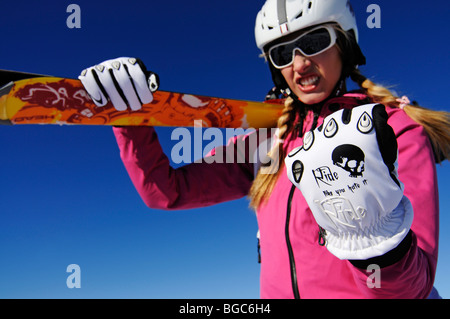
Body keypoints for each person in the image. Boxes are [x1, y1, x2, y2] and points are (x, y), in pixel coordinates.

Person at [78, 0, 449, 299]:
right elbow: (167, 191)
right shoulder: (269, 143)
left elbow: (413, 288)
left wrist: (378, 245)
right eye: (283, 53)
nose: (300, 64)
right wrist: (127, 116)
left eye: (315, 43)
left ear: (345, 44)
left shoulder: (394, 130)